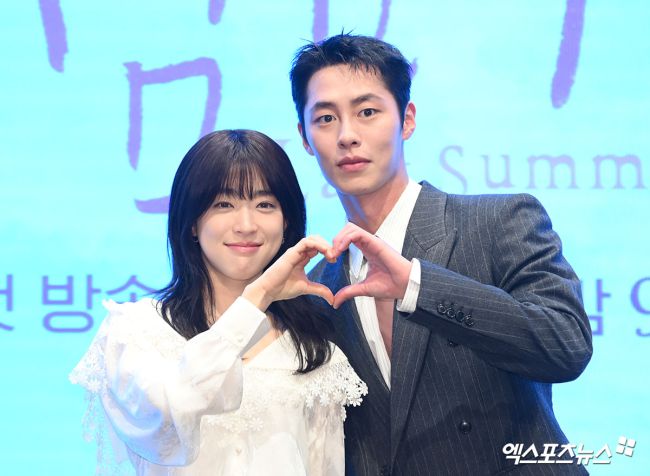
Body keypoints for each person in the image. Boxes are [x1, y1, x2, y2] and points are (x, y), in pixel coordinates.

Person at [289, 34, 593, 475]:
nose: (347, 136)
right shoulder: (320, 287)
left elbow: (565, 345)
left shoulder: (499, 221)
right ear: (304, 137)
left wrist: (418, 286)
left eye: (367, 112)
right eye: (325, 118)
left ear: (407, 120)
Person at [69, 129, 367, 475]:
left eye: (265, 205)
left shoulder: (314, 352)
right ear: (192, 222)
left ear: (287, 222)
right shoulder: (137, 332)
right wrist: (255, 299)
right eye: (224, 204)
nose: (246, 225)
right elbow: (165, 422)